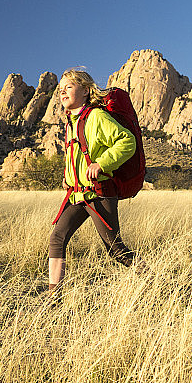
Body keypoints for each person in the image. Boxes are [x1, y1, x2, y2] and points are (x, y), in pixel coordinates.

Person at [47, 69, 140, 291]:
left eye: (69, 87)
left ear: (86, 91)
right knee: (57, 239)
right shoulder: (71, 122)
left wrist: (102, 164)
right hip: (78, 194)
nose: (62, 92)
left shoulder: (96, 116)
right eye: (60, 89)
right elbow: (78, 156)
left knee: (115, 249)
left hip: (99, 192)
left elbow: (127, 141)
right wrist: (68, 177)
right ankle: (53, 297)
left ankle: (153, 277)